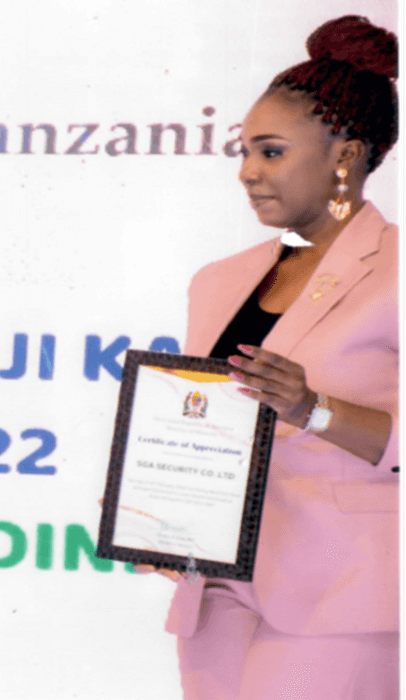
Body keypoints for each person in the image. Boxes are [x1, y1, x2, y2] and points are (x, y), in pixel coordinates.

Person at [150, 16, 398, 700]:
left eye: (270, 152)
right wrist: (151, 500)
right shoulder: (219, 279)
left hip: (339, 592)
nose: (247, 172)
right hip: (217, 590)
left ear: (346, 156)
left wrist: (312, 410)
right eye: (243, 152)